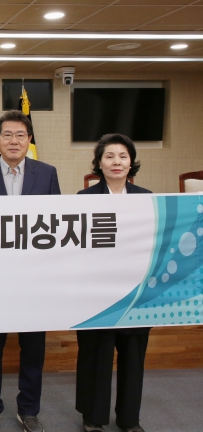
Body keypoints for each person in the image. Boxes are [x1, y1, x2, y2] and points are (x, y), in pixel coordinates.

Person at [0, 110, 60, 432]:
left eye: (21, 135)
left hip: (34, 278)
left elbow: (56, 224)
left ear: (29, 139)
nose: (14, 141)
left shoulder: (47, 174)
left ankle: (29, 409)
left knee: (33, 348)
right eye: (7, 135)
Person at [75, 134, 151, 432]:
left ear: (131, 162)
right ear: (99, 163)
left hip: (135, 294)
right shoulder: (84, 199)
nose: (116, 162)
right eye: (109, 156)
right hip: (96, 294)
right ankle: (93, 418)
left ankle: (129, 419)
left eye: (123, 156)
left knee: (133, 357)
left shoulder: (148, 198)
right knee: (95, 355)